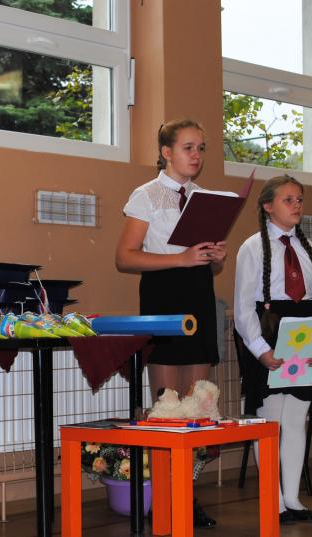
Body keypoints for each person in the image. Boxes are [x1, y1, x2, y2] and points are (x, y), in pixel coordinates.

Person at [115, 118, 226, 528]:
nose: (196, 155)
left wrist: (216, 258)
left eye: (201, 148)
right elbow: (125, 257)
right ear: (166, 152)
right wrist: (180, 258)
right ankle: (162, 496)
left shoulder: (205, 199)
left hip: (199, 295)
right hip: (163, 295)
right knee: (167, 405)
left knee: (199, 406)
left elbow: (209, 263)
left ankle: (188, 497)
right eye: (188, 147)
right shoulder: (146, 195)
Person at [234, 175, 312, 525]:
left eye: (299, 200)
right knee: (271, 421)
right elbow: (243, 308)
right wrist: (261, 350)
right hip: (271, 335)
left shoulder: (311, 250)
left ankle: (292, 497)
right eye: (288, 200)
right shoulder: (251, 248)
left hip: (304, 334)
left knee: (296, 420)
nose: (296, 206)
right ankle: (273, 500)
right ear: (267, 206)